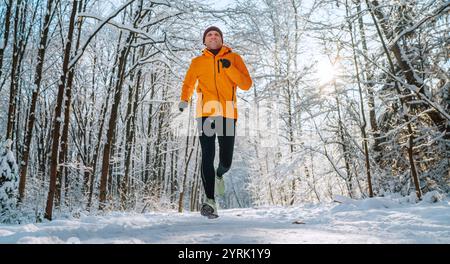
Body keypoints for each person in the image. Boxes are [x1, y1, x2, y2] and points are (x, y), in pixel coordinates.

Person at [178, 26, 252, 218]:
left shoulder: (234, 58)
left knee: (225, 160)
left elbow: (246, 84)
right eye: (209, 35)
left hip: (227, 112)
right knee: (207, 155)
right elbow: (188, 83)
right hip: (205, 113)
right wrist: (184, 99)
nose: (213, 37)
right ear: (204, 41)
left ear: (221, 39)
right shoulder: (197, 62)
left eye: (216, 34)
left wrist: (230, 68)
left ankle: (220, 174)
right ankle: (210, 201)